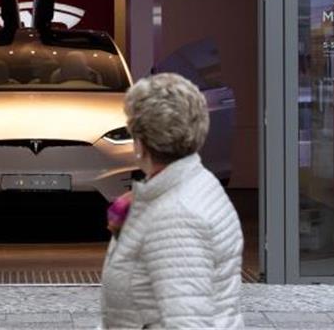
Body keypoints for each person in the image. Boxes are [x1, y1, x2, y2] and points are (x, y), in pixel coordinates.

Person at [101, 73, 244, 329]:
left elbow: (188, 323)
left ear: (141, 143)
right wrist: (133, 231)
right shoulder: (195, 184)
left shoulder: (176, 216)